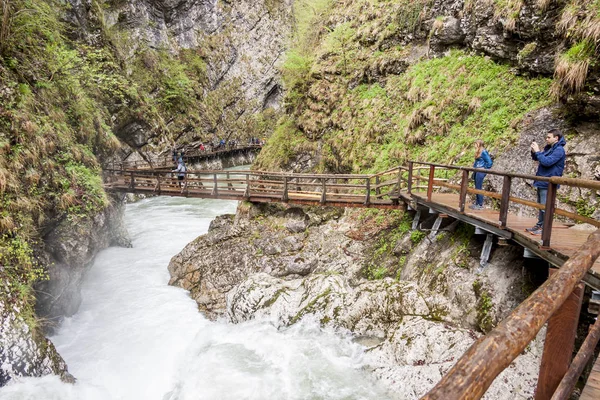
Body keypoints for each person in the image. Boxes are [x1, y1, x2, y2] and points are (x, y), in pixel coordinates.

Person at [526, 129, 567, 235]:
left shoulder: (559, 150)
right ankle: (539, 225)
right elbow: (538, 158)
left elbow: (547, 162)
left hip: (549, 182)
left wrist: (538, 152)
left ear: (556, 138)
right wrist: (534, 151)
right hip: (542, 180)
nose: (546, 139)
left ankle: (545, 228)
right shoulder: (549, 148)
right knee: (541, 205)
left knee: (545, 206)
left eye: (549, 137)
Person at [469, 139, 493, 210]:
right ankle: (477, 203)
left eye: (475, 144)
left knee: (479, 187)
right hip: (477, 170)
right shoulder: (478, 152)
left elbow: (489, 162)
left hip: (481, 171)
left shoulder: (484, 152)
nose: (474, 145)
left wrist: (484, 169)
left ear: (479, 144)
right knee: (477, 187)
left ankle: (480, 204)